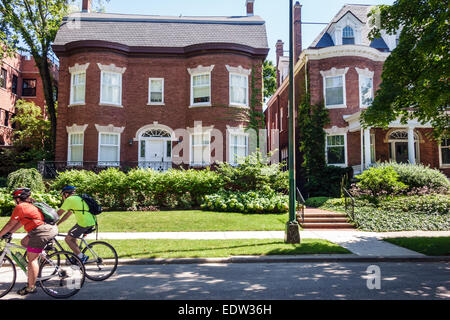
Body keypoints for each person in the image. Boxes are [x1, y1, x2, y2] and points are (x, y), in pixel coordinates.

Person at [0, 188, 58, 296]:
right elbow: (20, 223)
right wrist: (10, 233)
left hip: (41, 231)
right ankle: (42, 256)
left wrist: (1, 234)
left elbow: (10, 223)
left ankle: (31, 287)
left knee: (32, 259)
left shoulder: (21, 207)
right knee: (24, 242)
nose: (14, 201)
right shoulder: (29, 205)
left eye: (14, 198)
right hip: (44, 229)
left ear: (18, 199)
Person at [57, 185, 96, 263]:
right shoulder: (78, 198)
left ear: (66, 194)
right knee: (72, 237)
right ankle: (76, 256)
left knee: (67, 239)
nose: (63, 197)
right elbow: (67, 215)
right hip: (90, 221)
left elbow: (59, 213)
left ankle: (82, 257)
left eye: (63, 194)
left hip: (84, 223)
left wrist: (49, 220)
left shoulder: (70, 199)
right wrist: (57, 224)